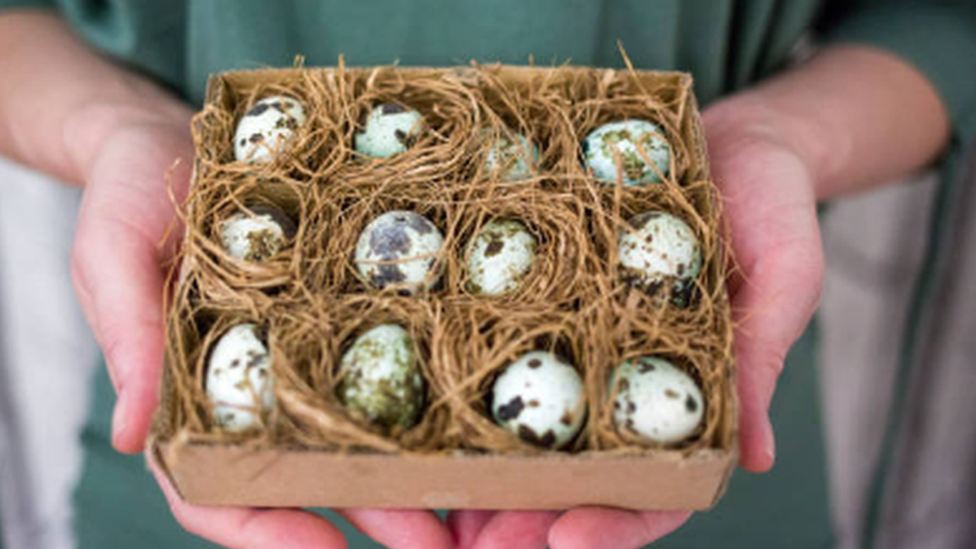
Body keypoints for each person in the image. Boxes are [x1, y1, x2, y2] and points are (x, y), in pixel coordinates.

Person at [0, 2, 974, 548]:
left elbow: (938, 23)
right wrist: (112, 128)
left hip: (699, 490)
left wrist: (785, 136)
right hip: (202, 481)